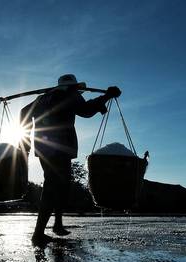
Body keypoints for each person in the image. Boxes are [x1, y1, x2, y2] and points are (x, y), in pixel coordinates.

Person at [18, 74, 121, 244]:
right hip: (60, 147)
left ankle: (57, 224)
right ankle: (38, 234)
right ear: (73, 86)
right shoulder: (70, 95)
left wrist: (26, 141)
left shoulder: (43, 98)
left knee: (59, 184)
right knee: (54, 185)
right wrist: (107, 96)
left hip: (43, 147)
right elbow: (86, 110)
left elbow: (23, 113)